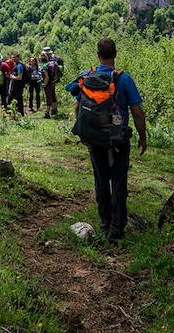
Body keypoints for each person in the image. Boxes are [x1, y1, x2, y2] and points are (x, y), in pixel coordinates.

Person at [66, 37, 147, 242]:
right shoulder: (124, 79)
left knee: (101, 180)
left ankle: (104, 223)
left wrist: (85, 130)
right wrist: (143, 137)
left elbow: (78, 105)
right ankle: (116, 228)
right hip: (118, 138)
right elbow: (138, 112)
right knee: (119, 182)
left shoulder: (87, 76)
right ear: (115, 54)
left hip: (94, 138)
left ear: (98, 55)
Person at [10, 51, 27, 116]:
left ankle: (19, 113)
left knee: (17, 99)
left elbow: (20, 77)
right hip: (18, 85)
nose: (13, 59)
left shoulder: (19, 66)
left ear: (18, 57)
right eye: (12, 57)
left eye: (14, 57)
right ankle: (18, 113)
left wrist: (13, 77)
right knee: (17, 99)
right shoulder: (18, 64)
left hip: (18, 85)